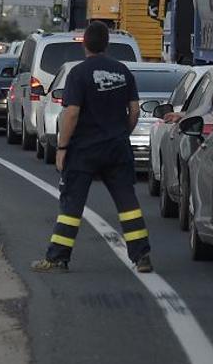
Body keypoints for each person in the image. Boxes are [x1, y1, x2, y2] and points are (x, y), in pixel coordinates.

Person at [31, 21, 153, 274]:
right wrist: (122, 133)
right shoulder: (122, 71)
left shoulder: (78, 73)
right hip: (117, 148)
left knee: (72, 206)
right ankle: (142, 257)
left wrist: (62, 148)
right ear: (107, 44)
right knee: (128, 204)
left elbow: (72, 113)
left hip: (84, 150)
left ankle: (58, 258)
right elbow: (134, 110)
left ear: (84, 44)